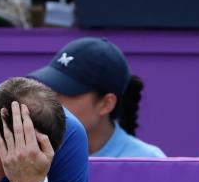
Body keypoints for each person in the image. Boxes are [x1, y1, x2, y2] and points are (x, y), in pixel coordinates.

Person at [29, 37, 165, 158]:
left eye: (67, 92)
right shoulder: (29, 156)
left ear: (106, 104)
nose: (52, 102)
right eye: (50, 90)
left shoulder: (149, 160)